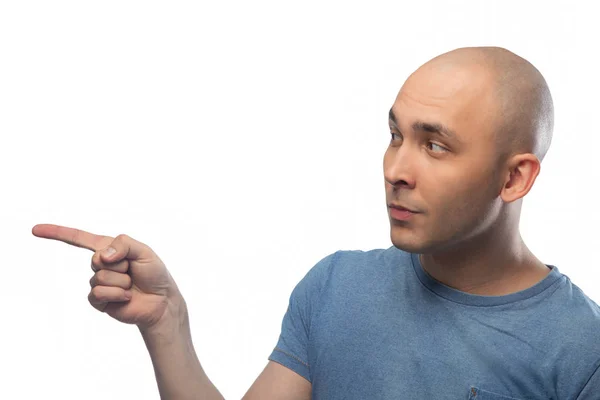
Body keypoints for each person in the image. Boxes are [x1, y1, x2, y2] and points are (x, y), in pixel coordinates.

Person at [32, 46, 600, 399]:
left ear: (514, 179)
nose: (396, 170)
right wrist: (165, 322)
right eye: (396, 135)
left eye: (436, 145)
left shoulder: (580, 350)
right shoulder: (336, 287)